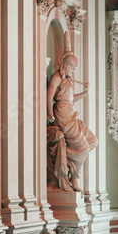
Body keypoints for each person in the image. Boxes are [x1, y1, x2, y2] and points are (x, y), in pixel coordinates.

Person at [46, 43, 98, 191]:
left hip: (71, 112)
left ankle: (69, 163)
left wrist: (85, 93)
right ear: (67, 65)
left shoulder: (68, 79)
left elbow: (70, 98)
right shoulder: (57, 77)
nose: (75, 70)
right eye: (73, 67)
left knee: (92, 141)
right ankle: (74, 175)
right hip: (62, 114)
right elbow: (50, 95)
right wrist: (50, 113)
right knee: (82, 146)